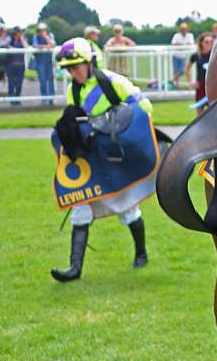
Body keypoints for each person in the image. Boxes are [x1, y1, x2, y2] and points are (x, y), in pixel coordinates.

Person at [50, 38, 154, 282]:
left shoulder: (112, 82)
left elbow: (144, 106)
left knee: (127, 208)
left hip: (116, 155)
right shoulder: (72, 90)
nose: (73, 73)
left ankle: (141, 253)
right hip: (91, 157)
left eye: (76, 67)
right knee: (80, 205)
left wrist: (112, 121)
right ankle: (74, 269)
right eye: (69, 69)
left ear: (90, 63)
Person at [31, 22, 58, 104]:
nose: (42, 32)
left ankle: (51, 98)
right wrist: (46, 46)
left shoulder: (50, 35)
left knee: (50, 80)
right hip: (40, 61)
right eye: (40, 30)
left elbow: (53, 44)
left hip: (49, 61)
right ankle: (44, 98)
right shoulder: (35, 37)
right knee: (42, 80)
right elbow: (35, 46)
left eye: (43, 30)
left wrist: (46, 37)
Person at [1, 26, 28, 104]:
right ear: (15, 32)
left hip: (21, 65)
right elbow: (6, 46)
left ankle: (17, 99)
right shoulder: (10, 39)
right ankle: (12, 100)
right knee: (11, 83)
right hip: (11, 65)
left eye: (21, 32)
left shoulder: (23, 39)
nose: (21, 33)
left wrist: (22, 38)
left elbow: (26, 47)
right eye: (19, 31)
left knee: (19, 84)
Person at [188, 32, 214, 112]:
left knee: (212, 111)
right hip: (200, 86)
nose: (209, 44)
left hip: (212, 86)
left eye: (211, 42)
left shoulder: (214, 55)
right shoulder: (196, 55)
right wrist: (191, 81)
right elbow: (186, 69)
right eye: (206, 42)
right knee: (199, 111)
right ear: (201, 43)